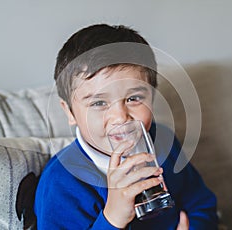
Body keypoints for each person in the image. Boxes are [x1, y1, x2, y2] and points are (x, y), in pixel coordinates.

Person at [34, 24, 218, 229]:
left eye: (133, 98)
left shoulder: (164, 141)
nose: (121, 117)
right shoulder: (62, 182)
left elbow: (202, 204)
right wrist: (113, 218)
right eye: (98, 103)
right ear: (69, 112)